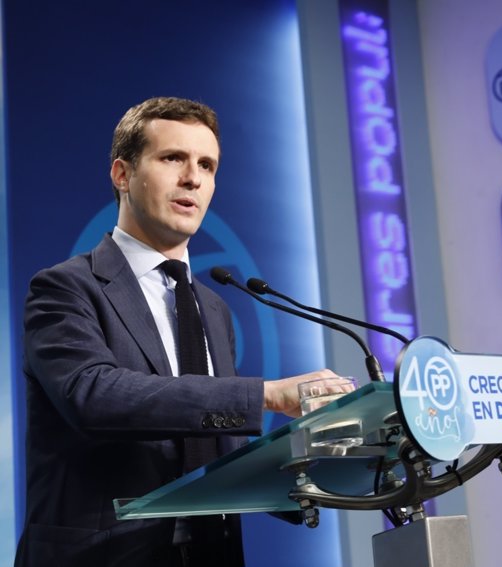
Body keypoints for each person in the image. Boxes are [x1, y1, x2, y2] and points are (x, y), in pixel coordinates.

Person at [14, 96, 341, 567]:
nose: (193, 178)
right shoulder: (65, 287)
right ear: (122, 174)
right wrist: (266, 396)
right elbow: (92, 394)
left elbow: (210, 439)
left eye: (207, 165)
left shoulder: (214, 308)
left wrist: (309, 458)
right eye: (173, 159)